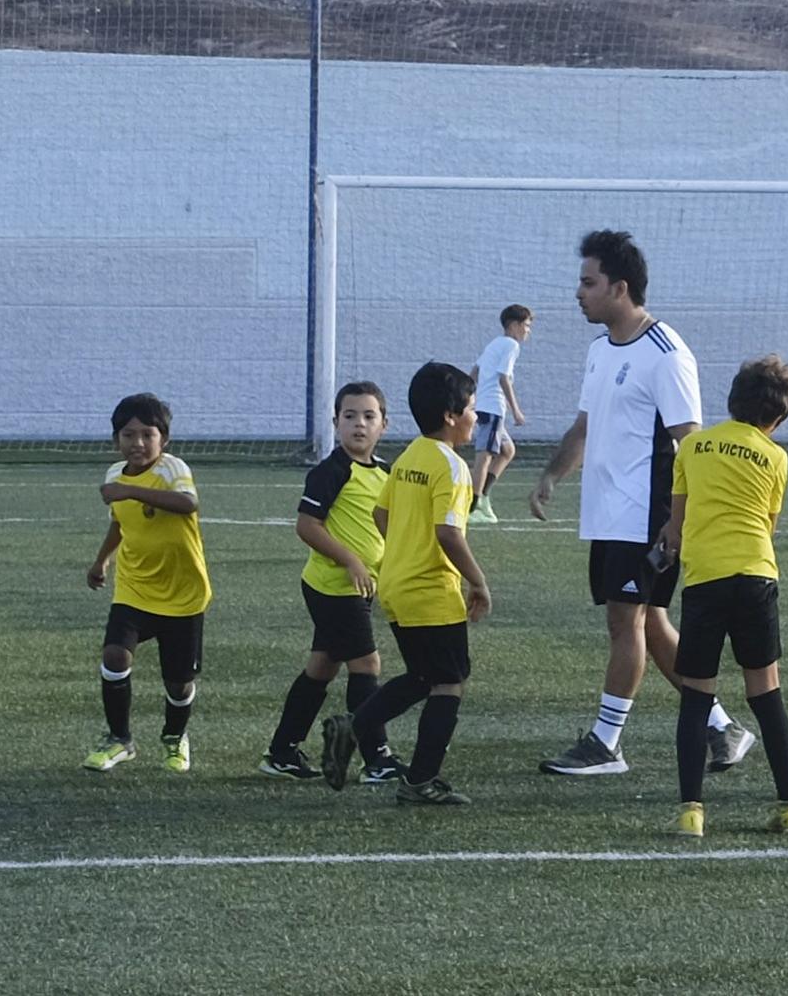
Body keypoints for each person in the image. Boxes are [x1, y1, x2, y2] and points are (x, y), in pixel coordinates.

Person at [531, 230, 751, 776]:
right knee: (649, 625)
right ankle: (723, 726)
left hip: (645, 514)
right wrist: (551, 476)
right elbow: (585, 426)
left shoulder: (667, 353)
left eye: (588, 282)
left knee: (626, 625)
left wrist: (678, 523)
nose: (578, 292)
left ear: (620, 287)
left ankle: (606, 744)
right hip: (608, 513)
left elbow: (691, 442)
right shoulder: (599, 350)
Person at [321, 362, 491, 806]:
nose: (476, 416)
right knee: (450, 682)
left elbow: (381, 515)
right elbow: (449, 533)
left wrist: (403, 548)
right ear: (452, 416)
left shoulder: (411, 456)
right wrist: (478, 581)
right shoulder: (452, 468)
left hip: (396, 585)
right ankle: (420, 781)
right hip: (431, 589)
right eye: (472, 408)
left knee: (421, 676)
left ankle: (353, 726)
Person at [661, 356, 788, 838]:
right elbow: (769, 524)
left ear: (732, 400)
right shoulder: (776, 457)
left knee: (697, 696)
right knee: (766, 692)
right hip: (756, 576)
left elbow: (676, 527)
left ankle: (691, 813)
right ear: (779, 417)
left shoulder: (693, 447)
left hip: (705, 580)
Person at [261, 381, 404, 783]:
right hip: (333, 587)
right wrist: (351, 561)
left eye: (368, 416)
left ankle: (281, 752)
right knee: (367, 664)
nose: (359, 424)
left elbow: (385, 526)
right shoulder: (331, 471)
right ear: (336, 423)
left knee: (322, 667)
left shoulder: (385, 473)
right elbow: (307, 526)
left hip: (359, 588)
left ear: (384, 424)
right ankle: (377, 758)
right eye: (350, 416)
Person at [83, 393, 209, 776]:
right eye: (128, 435)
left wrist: (131, 490)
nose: (137, 443)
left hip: (183, 594)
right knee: (114, 656)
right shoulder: (114, 476)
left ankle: (175, 737)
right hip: (135, 588)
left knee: (179, 683)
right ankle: (120, 739)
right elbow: (120, 522)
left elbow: (187, 503)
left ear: (164, 439)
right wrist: (101, 559)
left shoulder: (172, 469)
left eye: (147, 434)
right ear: (115, 440)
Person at [469, 304, 531, 524]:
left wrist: (468, 398)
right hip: (494, 408)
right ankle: (472, 508)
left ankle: (483, 496)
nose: (527, 331)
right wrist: (516, 411)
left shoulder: (494, 344)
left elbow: (474, 372)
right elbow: (503, 377)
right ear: (514, 325)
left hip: (486, 407)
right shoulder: (511, 345)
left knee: (507, 450)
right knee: (484, 457)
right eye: (526, 325)